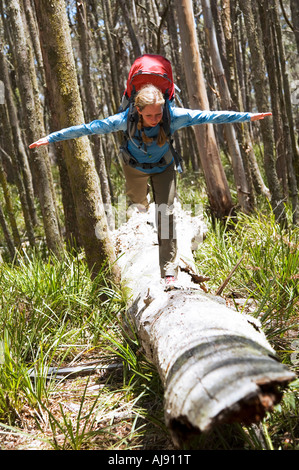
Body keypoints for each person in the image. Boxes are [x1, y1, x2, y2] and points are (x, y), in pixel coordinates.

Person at [29, 84, 271, 285]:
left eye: (158, 114)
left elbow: (209, 116)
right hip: (134, 168)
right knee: (139, 208)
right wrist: (51, 137)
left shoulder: (173, 117)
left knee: (166, 214)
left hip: (164, 168)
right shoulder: (124, 120)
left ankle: (169, 272)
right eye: (149, 115)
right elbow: (88, 129)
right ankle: (141, 221)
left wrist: (247, 117)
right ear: (137, 110)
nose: (155, 120)